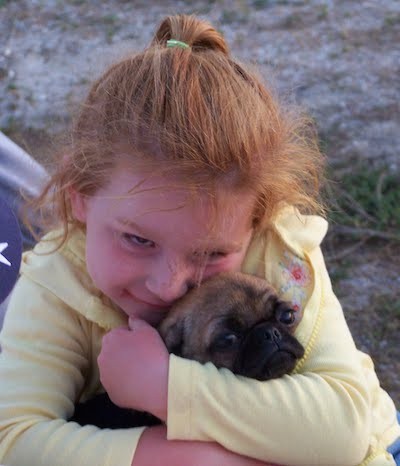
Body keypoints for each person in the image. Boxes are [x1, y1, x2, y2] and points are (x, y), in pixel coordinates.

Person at [0, 13, 398, 466]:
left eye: (211, 253)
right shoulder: (56, 283)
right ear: (81, 198)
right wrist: (194, 460)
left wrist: (165, 386)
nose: (170, 285)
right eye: (138, 240)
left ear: (258, 221)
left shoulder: (280, 254)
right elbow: (14, 442)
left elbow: (344, 432)